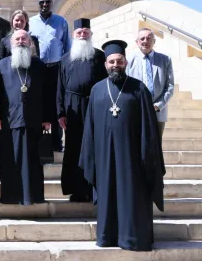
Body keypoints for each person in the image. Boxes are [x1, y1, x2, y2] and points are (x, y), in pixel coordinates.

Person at [79, 40, 165, 252]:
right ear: (105, 64)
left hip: (132, 157)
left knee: (132, 195)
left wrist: (147, 155)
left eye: (119, 61)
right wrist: (90, 156)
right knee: (108, 193)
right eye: (111, 62)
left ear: (125, 62)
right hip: (104, 157)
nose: (115, 65)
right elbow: (89, 128)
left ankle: (132, 238)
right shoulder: (97, 90)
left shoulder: (139, 89)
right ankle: (108, 237)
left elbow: (149, 127)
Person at [0, 30, 51, 205]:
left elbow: (47, 94)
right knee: (10, 159)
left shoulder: (39, 65)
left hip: (35, 119)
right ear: (11, 43)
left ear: (30, 42)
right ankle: (11, 196)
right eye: (17, 39)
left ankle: (33, 197)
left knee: (33, 161)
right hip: (10, 119)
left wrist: (47, 118)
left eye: (24, 38)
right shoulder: (2, 65)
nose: (21, 41)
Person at [56, 18, 107, 202]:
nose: (82, 35)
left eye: (86, 32)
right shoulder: (65, 59)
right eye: (79, 33)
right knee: (74, 147)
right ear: (73, 35)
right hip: (72, 109)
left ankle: (94, 189)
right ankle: (76, 189)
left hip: (94, 106)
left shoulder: (100, 57)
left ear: (90, 34)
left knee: (94, 147)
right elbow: (60, 88)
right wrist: (60, 113)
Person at [29, 0, 70, 152]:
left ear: (52, 3)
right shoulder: (31, 22)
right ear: (38, 4)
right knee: (38, 102)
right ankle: (38, 141)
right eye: (41, 2)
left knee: (56, 103)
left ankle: (56, 142)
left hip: (56, 68)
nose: (44, 4)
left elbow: (67, 46)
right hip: (37, 68)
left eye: (47, 2)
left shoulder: (61, 22)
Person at [126, 28, 174, 139]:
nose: (145, 41)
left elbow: (170, 86)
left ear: (154, 41)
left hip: (158, 112)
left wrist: (158, 105)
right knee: (136, 147)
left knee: (155, 149)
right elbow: (126, 86)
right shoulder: (129, 60)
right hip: (136, 111)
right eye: (142, 38)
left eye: (149, 38)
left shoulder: (165, 60)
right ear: (137, 42)